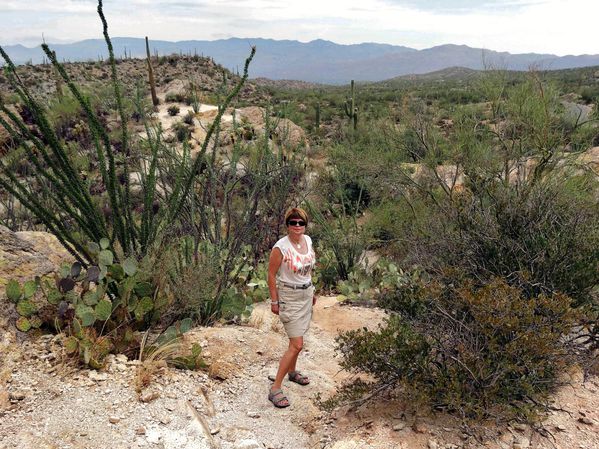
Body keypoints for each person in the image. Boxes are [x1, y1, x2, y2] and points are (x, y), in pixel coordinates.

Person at [267, 207, 316, 408]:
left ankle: (292, 372)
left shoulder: (309, 241)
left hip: (306, 293)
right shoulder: (281, 248)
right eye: (293, 222)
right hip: (289, 295)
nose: (297, 226)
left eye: (301, 222)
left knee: (299, 338)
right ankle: (275, 388)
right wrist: (274, 301)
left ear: (305, 224)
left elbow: (309, 268)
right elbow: (271, 274)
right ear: (287, 225)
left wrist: (313, 291)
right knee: (296, 344)